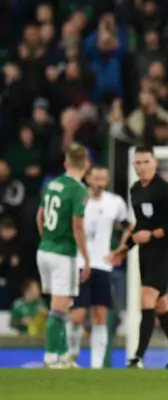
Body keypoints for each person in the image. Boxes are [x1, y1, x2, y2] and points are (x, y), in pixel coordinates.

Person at [108, 146, 168, 369]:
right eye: (138, 163)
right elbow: (140, 226)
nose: (142, 167)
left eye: (146, 162)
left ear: (154, 163)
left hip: (164, 253)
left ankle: (137, 357)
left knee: (147, 298)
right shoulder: (135, 190)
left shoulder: (166, 190)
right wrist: (125, 247)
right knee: (161, 305)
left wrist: (153, 234)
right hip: (145, 254)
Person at [67, 165, 129, 369]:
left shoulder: (115, 202)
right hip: (78, 263)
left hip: (102, 265)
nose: (101, 182)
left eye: (104, 178)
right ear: (88, 179)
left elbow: (129, 226)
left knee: (100, 316)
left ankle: (97, 366)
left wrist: (120, 250)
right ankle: (71, 355)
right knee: (77, 316)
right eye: (97, 178)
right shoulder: (78, 199)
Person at [36, 144, 91, 368]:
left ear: (66, 163)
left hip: (45, 250)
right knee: (59, 308)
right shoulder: (79, 190)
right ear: (86, 165)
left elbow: (40, 216)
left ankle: (62, 355)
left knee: (62, 304)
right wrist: (86, 258)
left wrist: (47, 240)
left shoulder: (52, 183)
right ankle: (51, 358)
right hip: (63, 254)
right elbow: (77, 227)